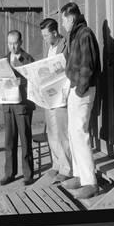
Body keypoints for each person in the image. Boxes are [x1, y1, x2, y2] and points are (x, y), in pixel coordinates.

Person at [60, 2, 101, 199]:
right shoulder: (76, 34)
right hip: (76, 89)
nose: (63, 24)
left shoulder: (85, 33)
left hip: (82, 91)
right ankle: (78, 175)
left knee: (80, 133)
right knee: (73, 133)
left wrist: (80, 89)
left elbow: (88, 65)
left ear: (71, 18)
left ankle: (90, 183)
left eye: (63, 20)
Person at [0, 30, 35, 186]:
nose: (12, 47)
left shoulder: (28, 60)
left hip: (22, 106)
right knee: (9, 141)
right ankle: (10, 173)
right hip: (7, 105)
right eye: (9, 43)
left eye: (15, 43)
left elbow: (35, 80)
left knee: (25, 140)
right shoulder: (3, 60)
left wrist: (23, 82)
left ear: (21, 42)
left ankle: (28, 174)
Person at [39, 18, 73, 182]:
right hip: (49, 96)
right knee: (51, 132)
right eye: (43, 36)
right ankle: (56, 164)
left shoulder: (66, 45)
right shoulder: (49, 48)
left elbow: (69, 68)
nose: (44, 39)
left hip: (61, 95)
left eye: (46, 36)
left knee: (62, 133)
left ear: (54, 32)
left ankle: (66, 168)